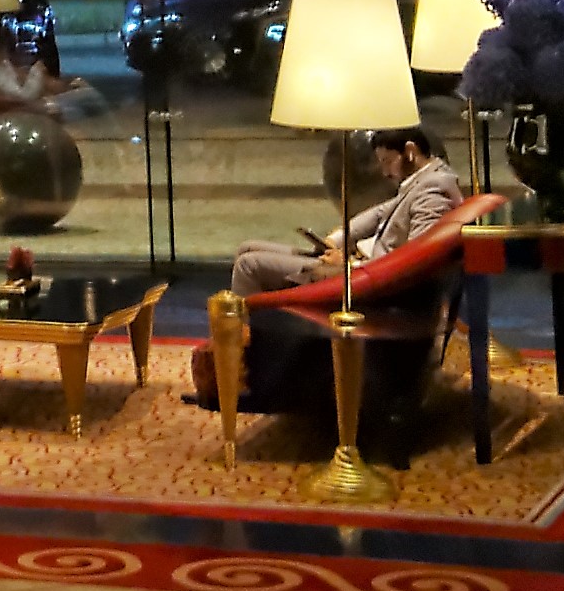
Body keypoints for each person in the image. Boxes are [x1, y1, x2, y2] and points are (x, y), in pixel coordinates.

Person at [197, 121, 467, 420]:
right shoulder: (426, 180)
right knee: (247, 248)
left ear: (410, 151)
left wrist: (349, 264)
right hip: (362, 268)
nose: (385, 171)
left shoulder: (433, 194)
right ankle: (259, 360)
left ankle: (245, 373)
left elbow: (413, 260)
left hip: (366, 282)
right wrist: (336, 240)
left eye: (387, 161)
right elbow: (381, 212)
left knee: (249, 265)